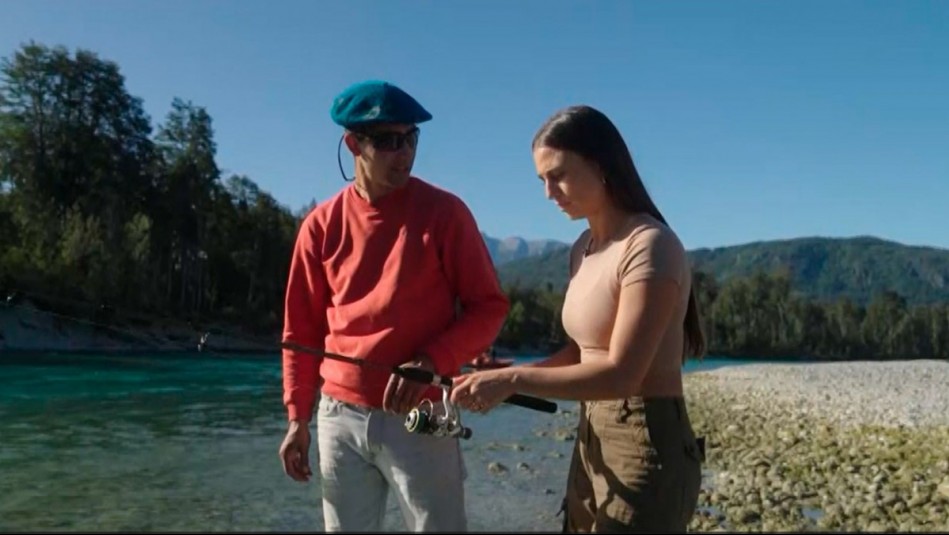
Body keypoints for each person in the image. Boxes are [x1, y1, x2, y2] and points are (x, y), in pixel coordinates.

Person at [450, 104, 706, 533]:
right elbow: (582, 352)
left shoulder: (650, 245)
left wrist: (513, 382)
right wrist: (508, 370)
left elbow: (622, 374)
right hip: (591, 439)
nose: (549, 192)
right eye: (542, 180)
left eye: (558, 175)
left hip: (646, 442)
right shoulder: (582, 248)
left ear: (601, 164)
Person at [278, 80, 510, 532]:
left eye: (411, 138)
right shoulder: (319, 226)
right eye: (387, 141)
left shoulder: (446, 213)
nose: (403, 152)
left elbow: (490, 307)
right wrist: (296, 419)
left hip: (423, 415)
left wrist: (433, 360)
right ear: (353, 144)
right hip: (337, 417)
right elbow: (299, 334)